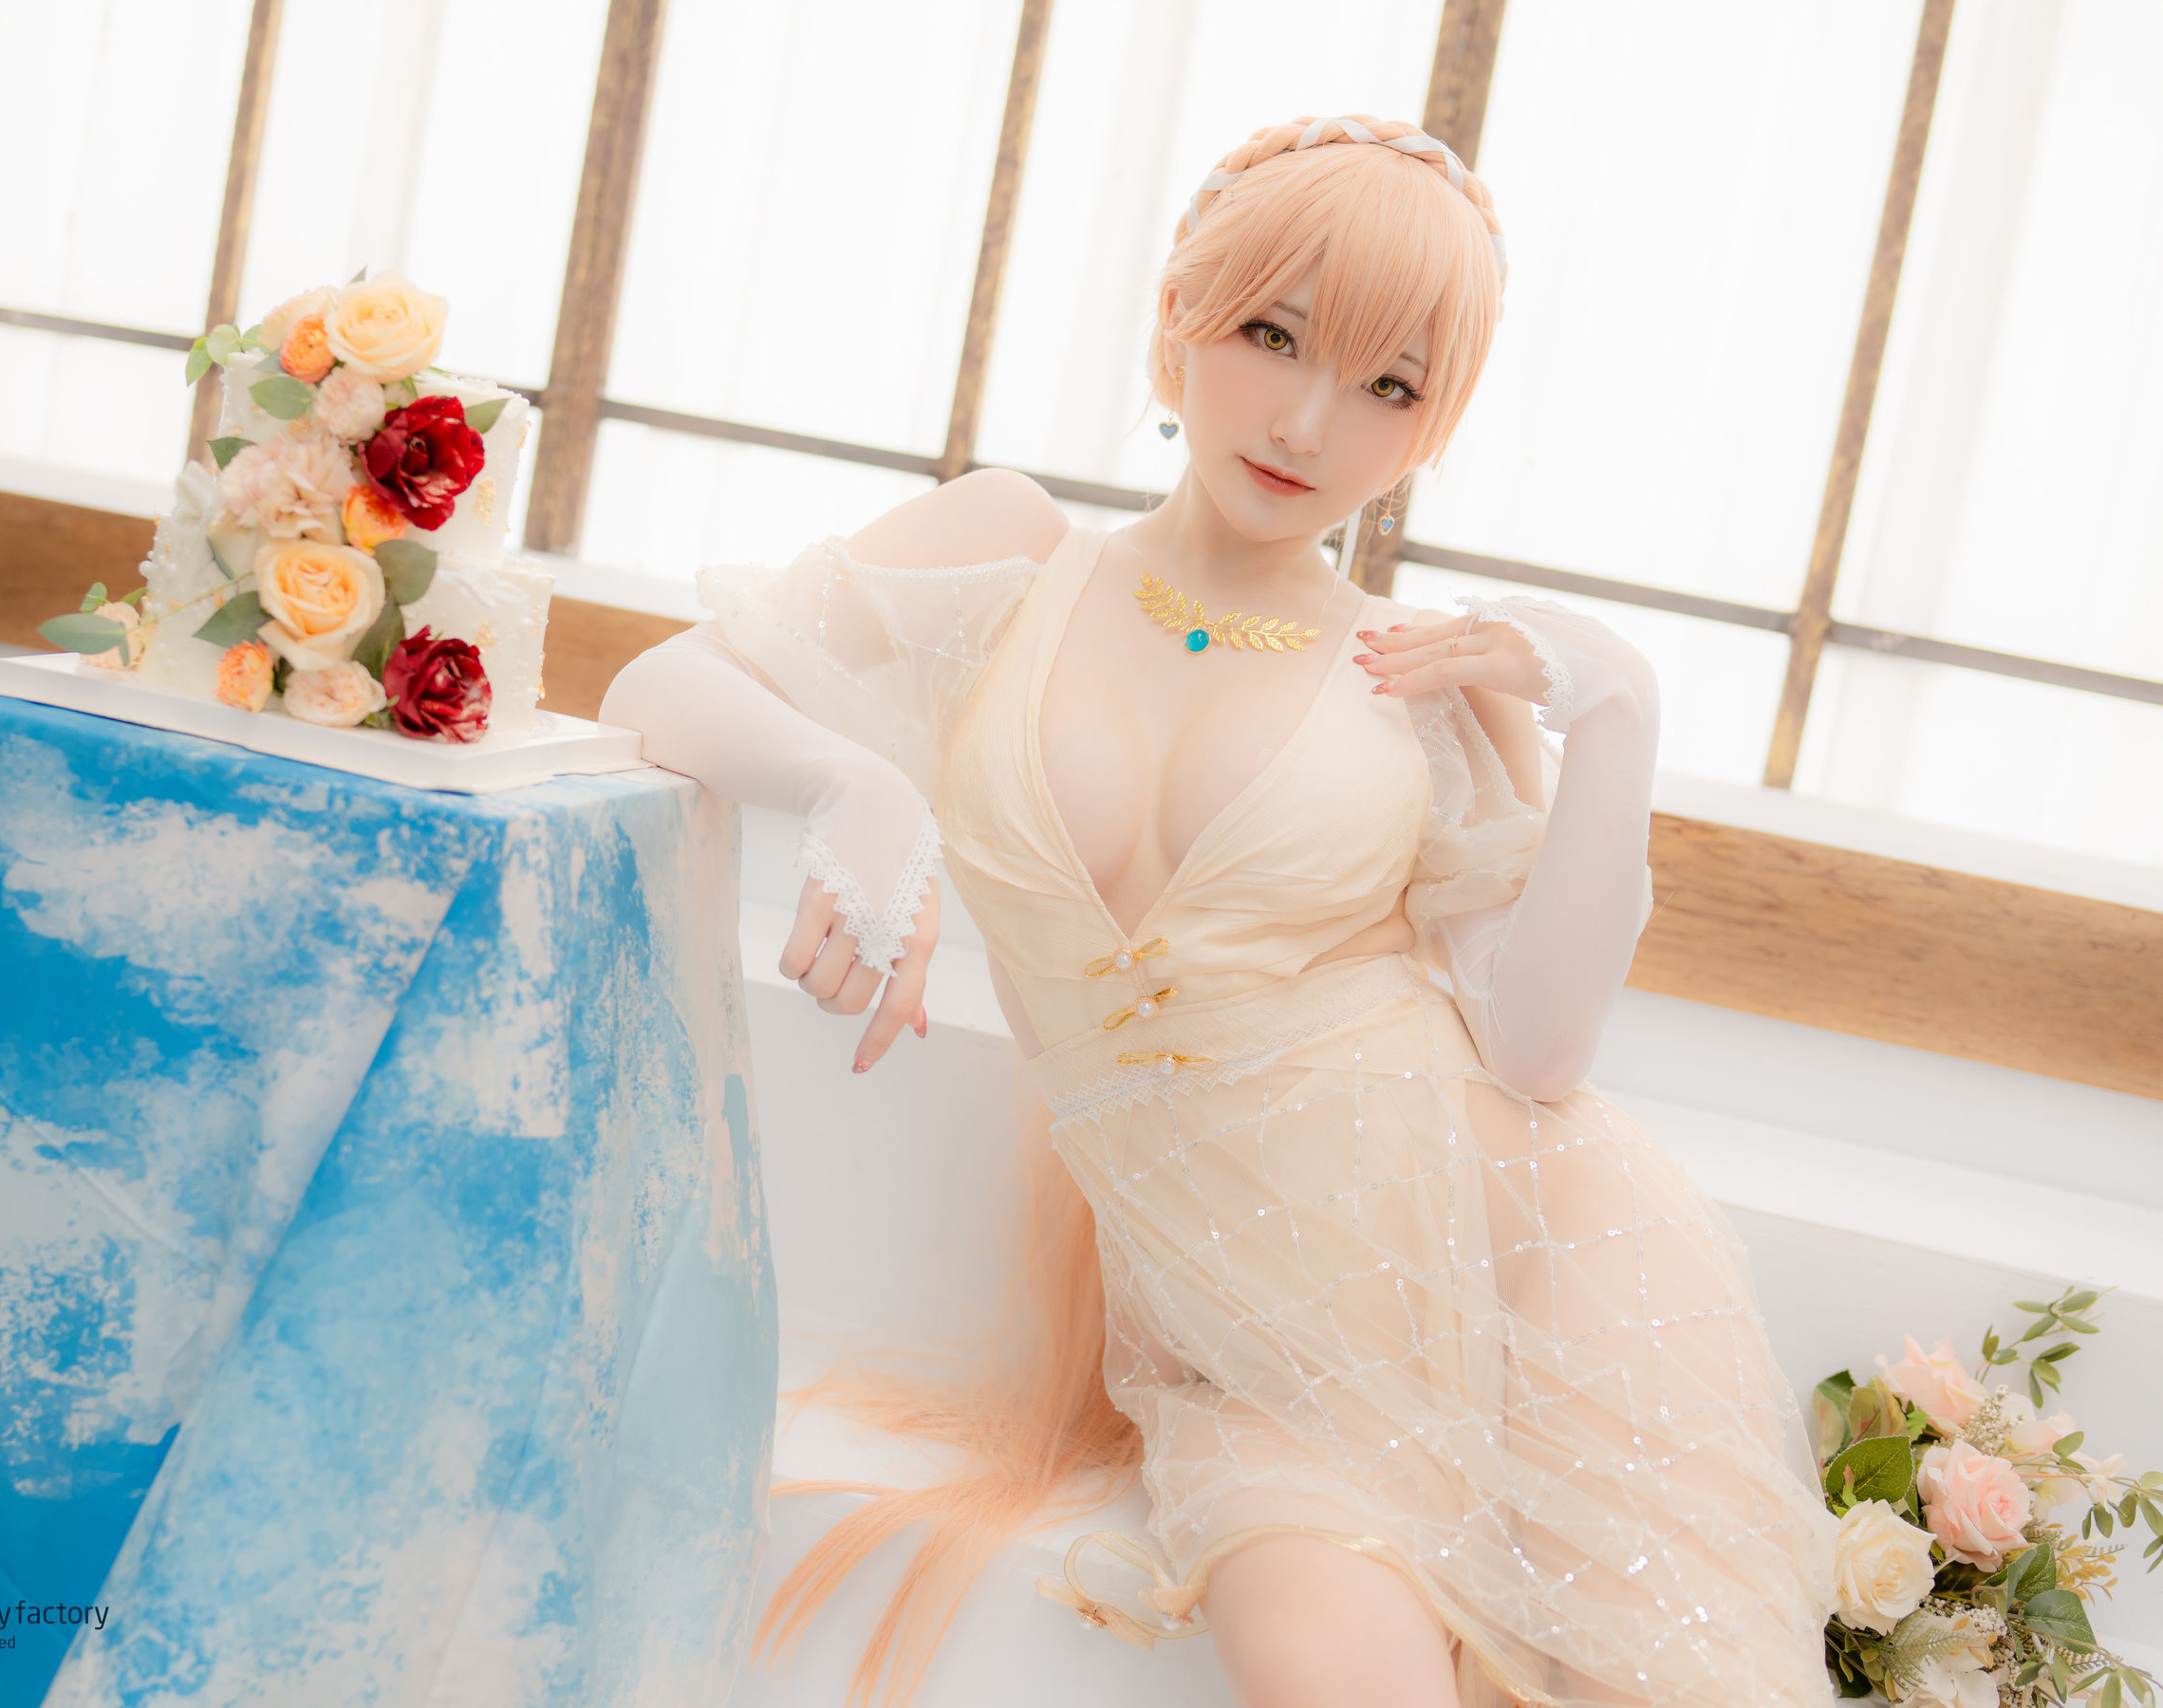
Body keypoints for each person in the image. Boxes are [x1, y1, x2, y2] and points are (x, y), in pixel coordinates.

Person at [601, 114, 1839, 1708]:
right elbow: (661, 684)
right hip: (1248, 1358)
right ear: (1180, 314)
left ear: (1432, 429)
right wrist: (854, 781)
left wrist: (1621, 711)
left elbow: (1539, 1053)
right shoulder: (1008, 556)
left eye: (1390, 387)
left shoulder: (1421, 671)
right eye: (1273, 335)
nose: (1310, 420)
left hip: (1516, 1258)